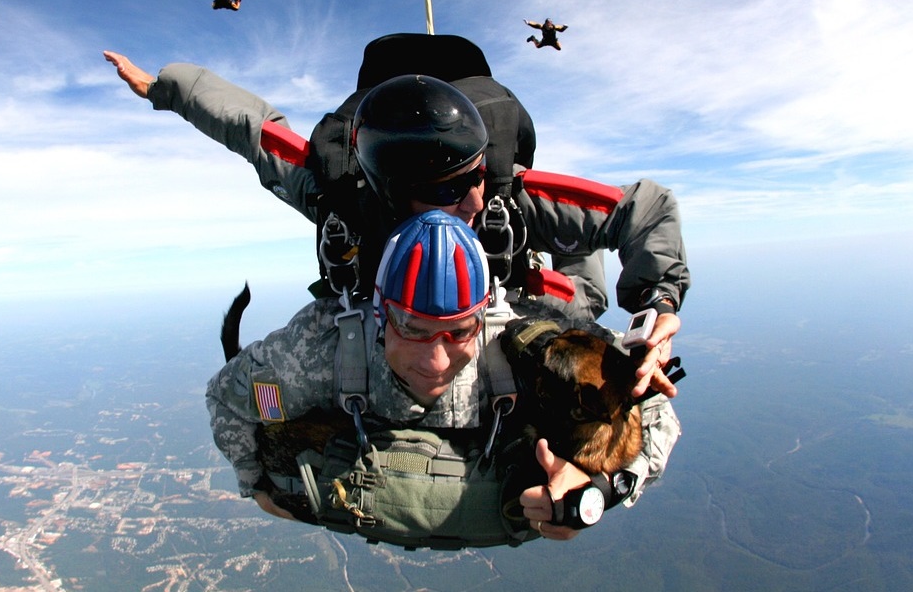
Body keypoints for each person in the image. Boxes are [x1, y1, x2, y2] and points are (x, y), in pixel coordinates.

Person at [101, 51, 688, 399]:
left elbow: (647, 208)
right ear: (386, 193)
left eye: (473, 177)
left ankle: (571, 255)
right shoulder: (342, 194)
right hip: (384, 286)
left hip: (508, 283)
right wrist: (164, 88)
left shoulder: (506, 197)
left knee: (582, 307)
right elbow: (255, 130)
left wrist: (657, 307)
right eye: (440, 191)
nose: (468, 200)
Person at [205, 210, 681, 545]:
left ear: (483, 317)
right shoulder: (318, 351)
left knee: (583, 300)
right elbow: (227, 397)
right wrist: (256, 484)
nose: (434, 361)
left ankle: (575, 252)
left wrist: (600, 488)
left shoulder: (523, 337)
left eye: (458, 332)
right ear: (379, 314)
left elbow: (658, 410)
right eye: (412, 327)